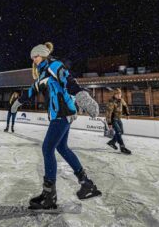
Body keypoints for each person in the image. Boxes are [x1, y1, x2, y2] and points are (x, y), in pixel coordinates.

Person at [13, 42, 102, 210]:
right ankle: (86, 184)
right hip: (60, 114)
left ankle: (49, 196)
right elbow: (32, 90)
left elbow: (68, 80)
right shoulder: (42, 75)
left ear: (44, 55)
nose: (34, 60)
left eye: (36, 56)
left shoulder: (54, 65)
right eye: (33, 58)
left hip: (63, 113)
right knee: (62, 148)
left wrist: (82, 95)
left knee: (47, 148)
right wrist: (18, 102)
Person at [105, 88, 131, 154]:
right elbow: (108, 113)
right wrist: (109, 123)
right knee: (118, 132)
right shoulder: (111, 101)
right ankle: (122, 147)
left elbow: (125, 106)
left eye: (120, 94)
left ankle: (112, 142)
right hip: (113, 119)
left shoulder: (121, 100)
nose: (119, 95)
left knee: (121, 132)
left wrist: (127, 114)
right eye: (117, 94)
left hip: (118, 118)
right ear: (114, 95)